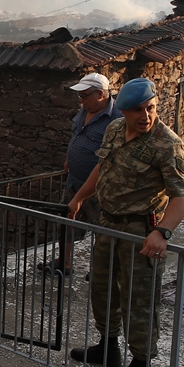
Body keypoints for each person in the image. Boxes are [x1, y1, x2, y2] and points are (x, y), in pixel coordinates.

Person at [68, 78, 184, 367]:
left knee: (139, 298)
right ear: (123, 110)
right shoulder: (113, 130)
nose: (145, 116)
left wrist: (162, 231)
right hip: (108, 224)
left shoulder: (168, 144)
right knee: (103, 286)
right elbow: (102, 168)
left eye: (150, 108)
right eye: (137, 110)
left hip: (141, 231)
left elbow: (181, 197)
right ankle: (108, 347)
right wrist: (80, 196)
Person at [55, 73, 122, 275]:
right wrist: (70, 157)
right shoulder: (85, 110)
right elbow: (78, 134)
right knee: (66, 221)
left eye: (84, 96)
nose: (81, 100)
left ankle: (101, 271)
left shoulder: (117, 119)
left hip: (98, 187)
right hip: (74, 180)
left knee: (102, 230)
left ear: (100, 94)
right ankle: (64, 263)